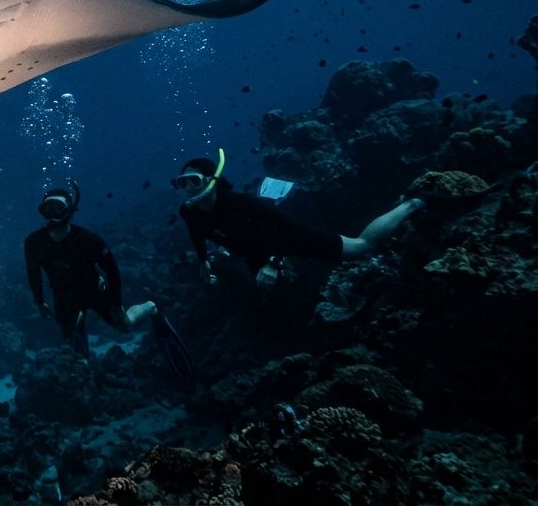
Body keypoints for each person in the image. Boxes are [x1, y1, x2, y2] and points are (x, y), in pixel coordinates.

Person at [174, 150, 424, 290]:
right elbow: (196, 232)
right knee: (267, 291)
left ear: (211, 180)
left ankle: (414, 202)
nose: (187, 188)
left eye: (193, 180)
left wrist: (273, 263)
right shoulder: (189, 211)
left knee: (360, 248)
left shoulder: (239, 204)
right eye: (181, 182)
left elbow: (279, 227)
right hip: (251, 249)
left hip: (285, 238)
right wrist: (202, 260)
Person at [24, 180, 193, 377]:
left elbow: (112, 271)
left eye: (58, 209)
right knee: (67, 337)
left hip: (94, 290)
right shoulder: (33, 242)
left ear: (69, 211)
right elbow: (33, 272)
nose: (53, 215)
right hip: (63, 295)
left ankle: (150, 307)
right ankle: (79, 321)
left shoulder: (89, 240)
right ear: (42, 212)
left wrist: (116, 302)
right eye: (48, 209)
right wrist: (39, 301)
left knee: (125, 326)